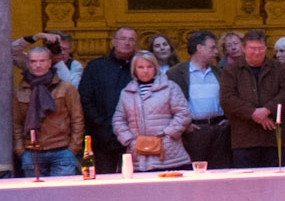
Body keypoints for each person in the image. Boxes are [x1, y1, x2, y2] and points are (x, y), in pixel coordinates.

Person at [219, 29, 285, 168]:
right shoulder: (230, 71)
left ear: (266, 48)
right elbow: (227, 99)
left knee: (276, 183)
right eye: (252, 48)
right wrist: (253, 113)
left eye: (261, 48)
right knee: (246, 184)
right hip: (244, 140)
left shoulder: (278, 68)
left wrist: (267, 109)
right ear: (244, 48)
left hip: (274, 138)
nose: (257, 52)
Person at [111, 50, 192, 173]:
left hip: (168, 153)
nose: (145, 71)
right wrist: (129, 140)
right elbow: (118, 120)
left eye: (149, 67)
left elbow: (183, 113)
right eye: (140, 67)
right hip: (138, 155)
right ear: (134, 70)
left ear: (155, 68)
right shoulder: (127, 92)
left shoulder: (170, 87)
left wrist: (168, 134)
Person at [13, 46, 85, 176]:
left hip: (61, 150)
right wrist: (20, 149)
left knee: (62, 194)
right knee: (35, 195)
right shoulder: (20, 90)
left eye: (42, 61)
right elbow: (16, 122)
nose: (38, 65)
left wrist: (73, 148)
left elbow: (77, 119)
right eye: (33, 61)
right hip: (31, 152)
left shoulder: (66, 88)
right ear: (28, 64)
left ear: (50, 62)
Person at [166, 30, 231, 169]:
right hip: (193, 133)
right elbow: (167, 103)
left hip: (219, 130)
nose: (216, 52)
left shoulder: (220, 72)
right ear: (199, 48)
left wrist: (228, 118)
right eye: (212, 47)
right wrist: (184, 126)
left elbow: (229, 96)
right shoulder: (175, 73)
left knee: (221, 172)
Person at [79, 26, 138, 173]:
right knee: (104, 180)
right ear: (114, 41)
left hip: (134, 136)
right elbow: (85, 99)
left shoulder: (141, 68)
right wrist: (100, 123)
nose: (127, 43)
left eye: (131, 40)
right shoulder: (96, 66)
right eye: (123, 39)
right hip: (102, 136)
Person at [12, 31, 85, 86]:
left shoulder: (74, 65)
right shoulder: (35, 62)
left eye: (64, 49)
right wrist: (36, 37)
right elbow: (11, 52)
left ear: (69, 49)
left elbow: (73, 88)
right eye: (57, 48)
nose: (61, 52)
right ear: (46, 48)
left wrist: (58, 62)